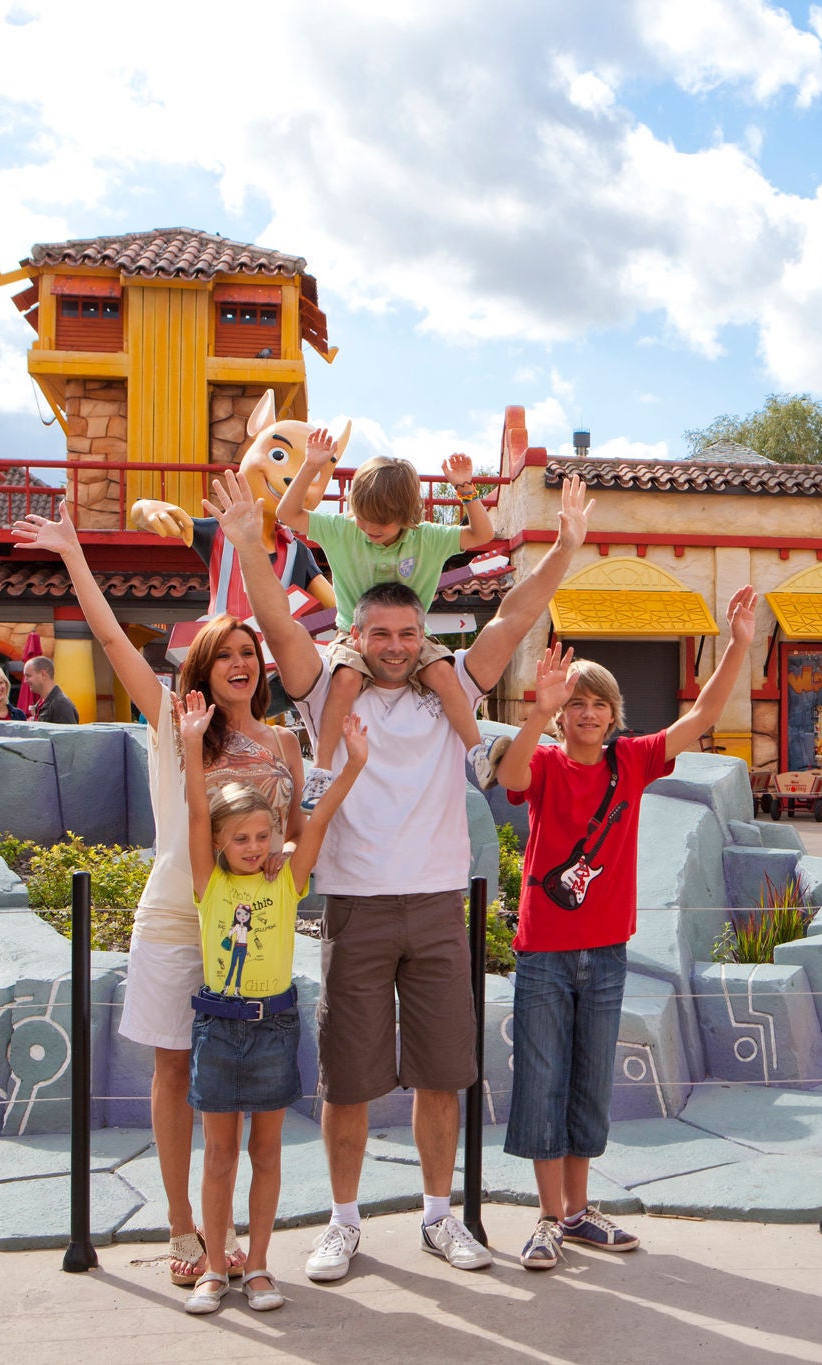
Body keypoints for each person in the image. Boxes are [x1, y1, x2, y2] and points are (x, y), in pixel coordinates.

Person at [217, 465, 590, 1284]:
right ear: (357, 631)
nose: (391, 647)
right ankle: (343, 1222)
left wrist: (563, 550)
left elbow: (514, 611)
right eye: (377, 634)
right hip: (353, 905)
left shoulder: (447, 682)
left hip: (434, 906)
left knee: (442, 1073)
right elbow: (281, 629)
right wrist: (251, 547)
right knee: (347, 1076)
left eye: (405, 636)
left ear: (423, 637)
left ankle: (437, 1216)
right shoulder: (326, 691)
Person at [11, 507, 308, 1289]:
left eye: (249, 651)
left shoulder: (281, 743)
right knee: (177, 1069)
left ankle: (242, 1238)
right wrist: (75, 556)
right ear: (202, 667)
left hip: (253, 927)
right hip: (179, 918)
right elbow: (112, 642)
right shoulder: (176, 723)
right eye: (225, 653)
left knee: (249, 1096)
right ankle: (185, 1223)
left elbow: (298, 829)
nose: (240, 662)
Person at [496, 588, 757, 1271]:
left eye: (597, 703)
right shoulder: (548, 762)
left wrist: (738, 644)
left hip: (605, 951)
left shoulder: (631, 762)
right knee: (543, 1078)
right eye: (575, 703)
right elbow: (512, 772)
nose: (586, 713)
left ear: (614, 715)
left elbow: (701, 716)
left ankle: (578, 1212)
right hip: (544, 952)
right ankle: (548, 1216)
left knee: (588, 1082)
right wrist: (538, 712)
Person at [176, 693, 365, 1316]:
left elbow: (320, 817)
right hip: (219, 1030)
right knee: (221, 1153)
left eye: (263, 836)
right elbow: (197, 812)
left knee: (265, 1153)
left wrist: (353, 767)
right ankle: (213, 1267)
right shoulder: (209, 884)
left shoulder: (286, 879)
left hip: (274, 1027)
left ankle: (257, 1265)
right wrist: (189, 744)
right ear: (222, 844)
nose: (255, 846)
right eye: (242, 838)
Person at [274, 436, 495, 789]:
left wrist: (465, 489)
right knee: (344, 679)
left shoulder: (428, 538)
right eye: (363, 519)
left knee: (442, 672)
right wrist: (312, 465)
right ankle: (323, 767)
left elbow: (483, 533)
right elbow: (286, 513)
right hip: (354, 635)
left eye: (381, 524)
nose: (369, 529)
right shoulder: (343, 530)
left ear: (407, 518)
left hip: (410, 639)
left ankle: (476, 752)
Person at [24, 656, 81, 725]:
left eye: (28, 676)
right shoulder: (42, 704)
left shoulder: (61, 705)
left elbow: (67, 735)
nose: (25, 681)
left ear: (43, 674)